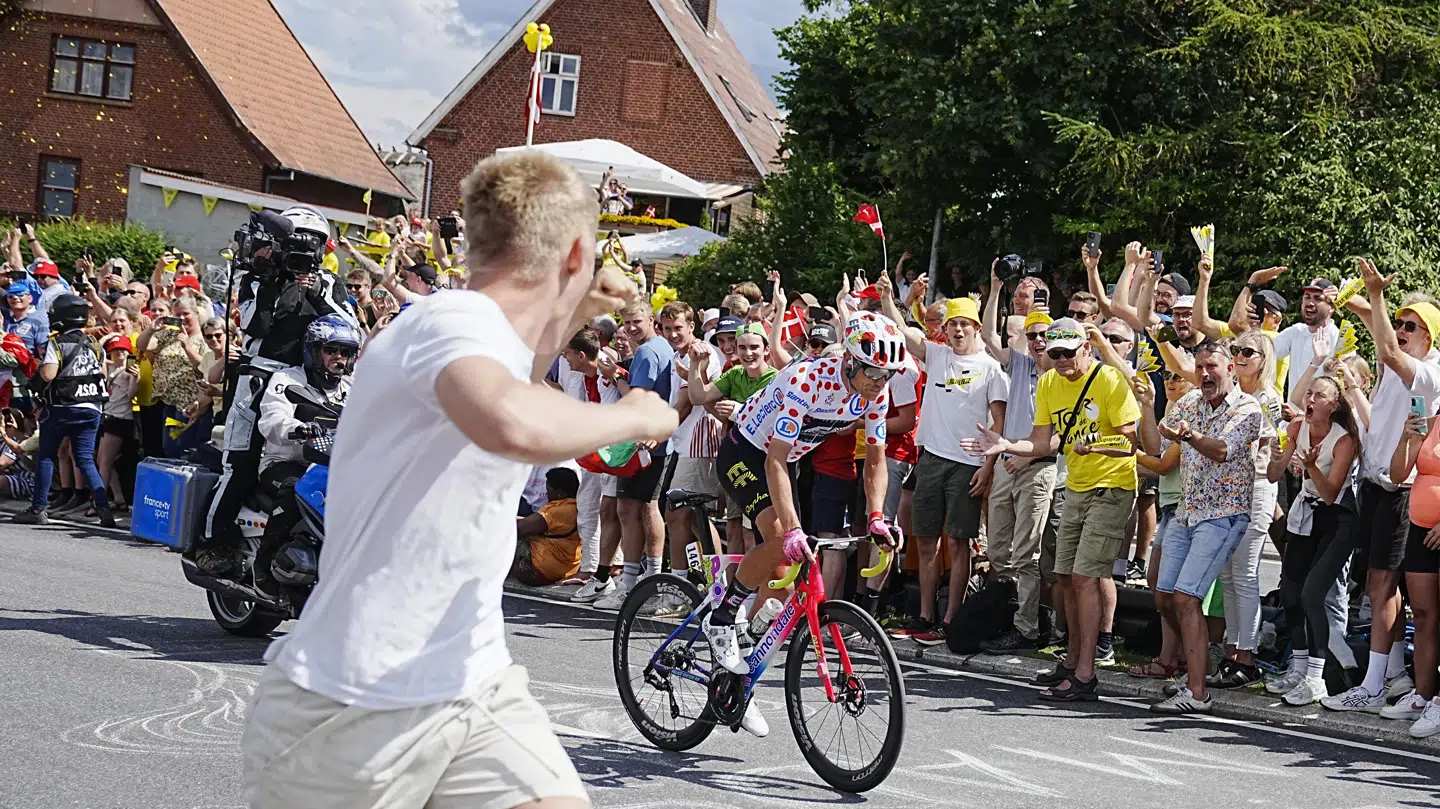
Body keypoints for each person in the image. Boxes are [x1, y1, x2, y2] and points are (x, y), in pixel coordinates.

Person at [242, 151, 675, 809]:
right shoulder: (454, 323)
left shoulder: (485, 336)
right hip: (352, 705)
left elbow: (523, 375)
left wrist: (577, 299)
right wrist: (631, 410)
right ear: (576, 251)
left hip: (472, 684)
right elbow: (510, 419)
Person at [700, 309, 905, 736]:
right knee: (780, 536)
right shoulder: (807, 380)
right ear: (849, 360)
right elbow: (774, 459)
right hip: (748, 452)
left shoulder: (876, 393)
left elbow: (876, 462)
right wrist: (791, 527)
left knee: (789, 570)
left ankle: (740, 675)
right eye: (871, 372)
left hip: (787, 459)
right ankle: (722, 616)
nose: (877, 383)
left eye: (886, 375)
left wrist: (877, 517)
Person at [964, 318, 1141, 702]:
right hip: (1076, 485)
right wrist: (1005, 445)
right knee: (1063, 576)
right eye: (1053, 352)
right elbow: (1041, 444)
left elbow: (1132, 441)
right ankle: (1072, 659)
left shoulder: (1109, 380)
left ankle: (1086, 672)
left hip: (1112, 487)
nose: (1059, 359)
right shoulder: (1047, 382)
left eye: (1067, 352)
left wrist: (1093, 444)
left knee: (1083, 577)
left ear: (1086, 349)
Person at [203, 205, 353, 571]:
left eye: (308, 245)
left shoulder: (329, 282)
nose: (299, 252)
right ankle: (211, 542)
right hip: (257, 379)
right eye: (291, 242)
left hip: (308, 383)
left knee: (314, 465)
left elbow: (349, 329)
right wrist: (270, 276)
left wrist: (317, 293)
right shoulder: (257, 276)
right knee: (239, 463)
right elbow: (254, 324)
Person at [1324, 259, 1440, 712]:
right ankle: (1391, 677)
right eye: (1400, 323)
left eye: (1410, 325)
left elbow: (1389, 349)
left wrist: (1373, 295)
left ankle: (1378, 684)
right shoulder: (1397, 364)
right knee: (1380, 589)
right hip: (1378, 482)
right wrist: (1345, 297)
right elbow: (1377, 326)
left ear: (1429, 336)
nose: (1400, 329)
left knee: (1383, 587)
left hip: (1406, 489)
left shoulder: (1429, 370)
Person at [882, 288, 1006, 647]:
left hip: (967, 464)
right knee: (925, 541)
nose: (958, 331)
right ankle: (925, 616)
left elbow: (998, 423)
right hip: (931, 459)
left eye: (965, 325)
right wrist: (891, 298)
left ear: (977, 328)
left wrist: (988, 465)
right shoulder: (936, 355)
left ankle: (951, 617)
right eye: (953, 325)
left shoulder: (991, 368)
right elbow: (903, 331)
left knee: (958, 541)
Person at [1149, 341, 1263, 714]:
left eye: (1211, 366)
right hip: (1187, 511)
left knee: (1186, 597)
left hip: (1224, 514)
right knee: (1165, 596)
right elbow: (1158, 447)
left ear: (1230, 367)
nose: (1204, 374)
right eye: (1198, 367)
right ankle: (1200, 668)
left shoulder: (1247, 407)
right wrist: (1149, 405)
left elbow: (1222, 450)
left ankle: (1197, 694)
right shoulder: (1188, 403)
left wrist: (1189, 436)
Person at [250, 315, 359, 599]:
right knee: (292, 489)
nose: (338, 358)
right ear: (313, 350)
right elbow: (272, 417)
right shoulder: (287, 379)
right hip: (287, 462)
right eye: (331, 350)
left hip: (336, 466)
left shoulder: (351, 387)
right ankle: (262, 570)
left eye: (345, 352)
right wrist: (298, 428)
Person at [1267, 375, 1360, 706]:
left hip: (1338, 519)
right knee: (1290, 591)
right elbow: (1274, 475)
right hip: (1306, 514)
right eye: (1309, 393)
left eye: (1318, 395)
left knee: (1312, 594)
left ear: (1332, 406)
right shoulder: (1296, 428)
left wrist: (1309, 467)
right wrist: (1276, 456)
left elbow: (1332, 494)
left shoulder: (1344, 440)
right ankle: (1300, 667)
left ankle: (1316, 678)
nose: (1309, 399)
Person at [978, 285, 1059, 652]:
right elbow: (988, 336)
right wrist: (996, 288)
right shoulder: (1021, 362)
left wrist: (1025, 455)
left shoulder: (1061, 372)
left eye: (1045, 335)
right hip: (1006, 464)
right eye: (1033, 335)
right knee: (997, 550)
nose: (1039, 341)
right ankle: (1007, 616)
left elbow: (1062, 434)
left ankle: (1027, 630)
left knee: (1027, 554)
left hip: (1037, 466)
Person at [593, 300, 676, 610]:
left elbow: (636, 398)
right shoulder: (661, 348)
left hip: (647, 442)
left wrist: (614, 377)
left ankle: (634, 586)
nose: (630, 328)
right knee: (637, 509)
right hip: (655, 439)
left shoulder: (648, 351)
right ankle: (641, 582)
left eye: (636, 321)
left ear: (650, 319)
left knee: (635, 508)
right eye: (626, 322)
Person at [12, 295, 114, 527]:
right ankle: (103, 508)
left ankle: (38, 509)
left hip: (62, 407)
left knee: (47, 456)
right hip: (91, 408)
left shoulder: (57, 344)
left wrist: (39, 367)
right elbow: (103, 376)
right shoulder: (95, 345)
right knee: (86, 459)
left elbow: (48, 375)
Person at [1386, 403, 1440, 736]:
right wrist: (1407, 439)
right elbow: (1396, 474)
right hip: (1420, 529)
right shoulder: (1432, 421)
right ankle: (1422, 695)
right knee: (1422, 614)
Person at [512, 467, 584, 586]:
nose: (546, 493)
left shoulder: (556, 511)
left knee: (512, 534)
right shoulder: (577, 506)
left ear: (560, 492)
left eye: (549, 489)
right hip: (566, 569)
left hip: (537, 573)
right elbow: (533, 522)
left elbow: (520, 528)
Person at [96, 333, 137, 513]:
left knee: (105, 461)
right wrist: (108, 338)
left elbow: (131, 395)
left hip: (120, 419)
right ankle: (118, 499)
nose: (119, 352)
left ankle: (99, 503)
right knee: (102, 460)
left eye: (123, 349)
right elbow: (98, 354)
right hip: (108, 416)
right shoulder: (110, 368)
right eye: (115, 349)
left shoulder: (130, 371)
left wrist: (136, 378)